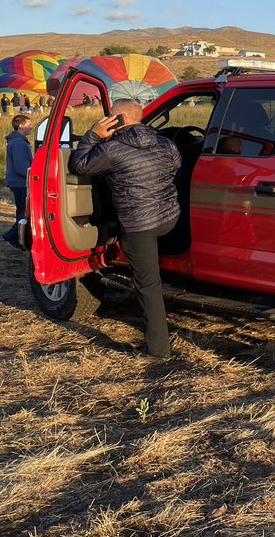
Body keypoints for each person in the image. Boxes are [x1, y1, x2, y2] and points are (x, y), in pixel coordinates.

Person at [69, 99, 181, 358]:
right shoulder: (166, 143)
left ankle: (158, 350)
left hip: (140, 225)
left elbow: (78, 165)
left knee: (147, 285)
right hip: (169, 218)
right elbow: (175, 166)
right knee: (152, 266)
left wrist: (93, 135)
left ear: (117, 119)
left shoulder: (111, 149)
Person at [3, 114, 34, 248]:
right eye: (29, 124)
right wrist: (33, 176)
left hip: (19, 182)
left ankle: (16, 237)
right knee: (24, 211)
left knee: (22, 210)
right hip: (21, 183)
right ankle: (13, 236)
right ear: (20, 126)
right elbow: (21, 166)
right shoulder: (18, 143)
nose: (31, 126)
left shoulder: (18, 141)